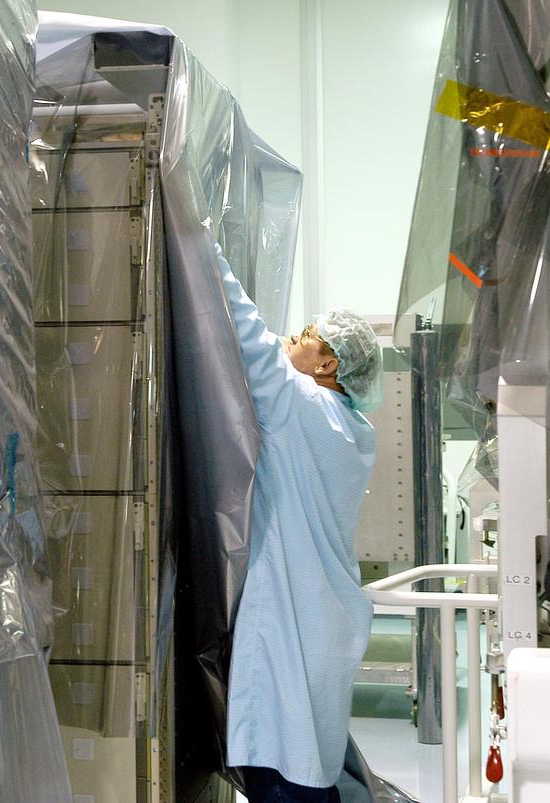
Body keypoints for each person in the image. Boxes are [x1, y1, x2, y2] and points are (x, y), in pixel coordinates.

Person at [212, 241, 382, 803]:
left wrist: (203, 237)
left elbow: (248, 333)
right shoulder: (351, 430)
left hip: (296, 628)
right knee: (312, 762)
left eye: (306, 334)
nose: (292, 336)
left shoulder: (302, 409)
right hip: (323, 622)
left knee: (289, 771)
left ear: (329, 363)